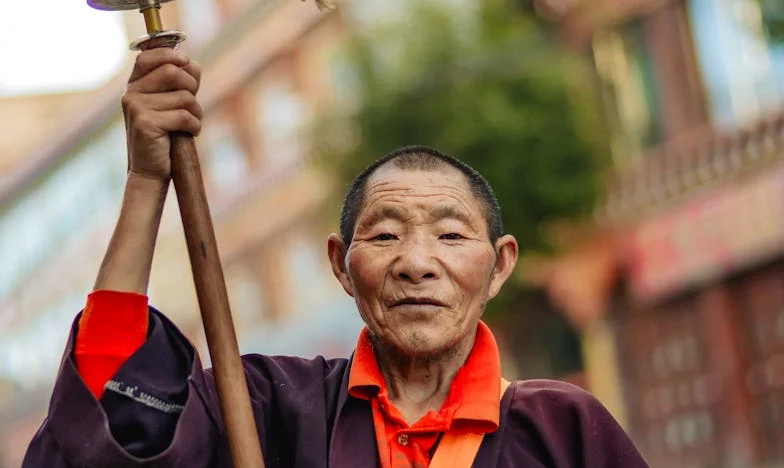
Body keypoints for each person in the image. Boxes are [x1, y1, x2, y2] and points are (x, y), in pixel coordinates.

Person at [22, 48, 648, 468]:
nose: (416, 262)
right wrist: (144, 184)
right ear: (340, 264)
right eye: (383, 237)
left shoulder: (563, 431)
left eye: (452, 236)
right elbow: (106, 432)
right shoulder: (269, 406)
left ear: (500, 264)